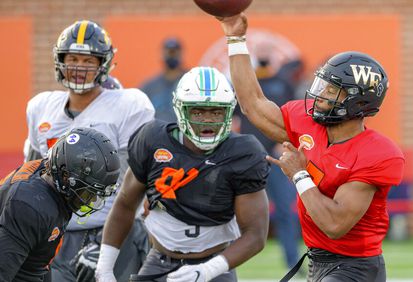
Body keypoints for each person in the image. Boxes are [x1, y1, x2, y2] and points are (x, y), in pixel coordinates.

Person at [218, 15, 405, 281]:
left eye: (331, 90)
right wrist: (235, 39)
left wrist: (299, 175)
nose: (319, 94)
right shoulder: (307, 123)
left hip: (356, 268)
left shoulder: (377, 153)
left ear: (356, 102)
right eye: (322, 85)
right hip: (318, 261)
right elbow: (253, 105)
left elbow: (334, 224)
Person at [95, 66, 270, 282]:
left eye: (216, 111)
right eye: (197, 111)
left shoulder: (242, 153)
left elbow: (256, 234)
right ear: (180, 110)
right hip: (159, 261)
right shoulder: (153, 140)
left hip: (214, 265)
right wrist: (104, 267)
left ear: (228, 112)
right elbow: (125, 204)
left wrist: (207, 271)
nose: (207, 119)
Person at [25, 20, 155, 281]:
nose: (79, 67)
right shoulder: (41, 108)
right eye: (72, 58)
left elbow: (143, 175)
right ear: (60, 60)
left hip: (117, 229)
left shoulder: (128, 105)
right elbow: (31, 177)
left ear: (102, 64)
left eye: (88, 60)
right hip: (59, 233)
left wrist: (110, 242)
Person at [0, 128, 120, 281]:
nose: (90, 201)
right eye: (88, 192)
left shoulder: (52, 180)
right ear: (65, 176)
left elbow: (39, 263)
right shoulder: (30, 206)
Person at [234, 44, 301, 271]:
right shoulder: (245, 86)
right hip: (249, 159)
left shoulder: (283, 84)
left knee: (285, 211)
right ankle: (229, 260)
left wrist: (281, 143)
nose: (263, 57)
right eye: (259, 52)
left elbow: (293, 117)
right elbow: (234, 119)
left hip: (276, 161)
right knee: (236, 211)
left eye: (266, 53)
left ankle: (292, 261)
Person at [140, 37, 187, 123]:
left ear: (181, 54)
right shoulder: (150, 86)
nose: (172, 56)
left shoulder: (190, 82)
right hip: (157, 133)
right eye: (169, 52)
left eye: (174, 52)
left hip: (184, 133)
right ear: (162, 54)